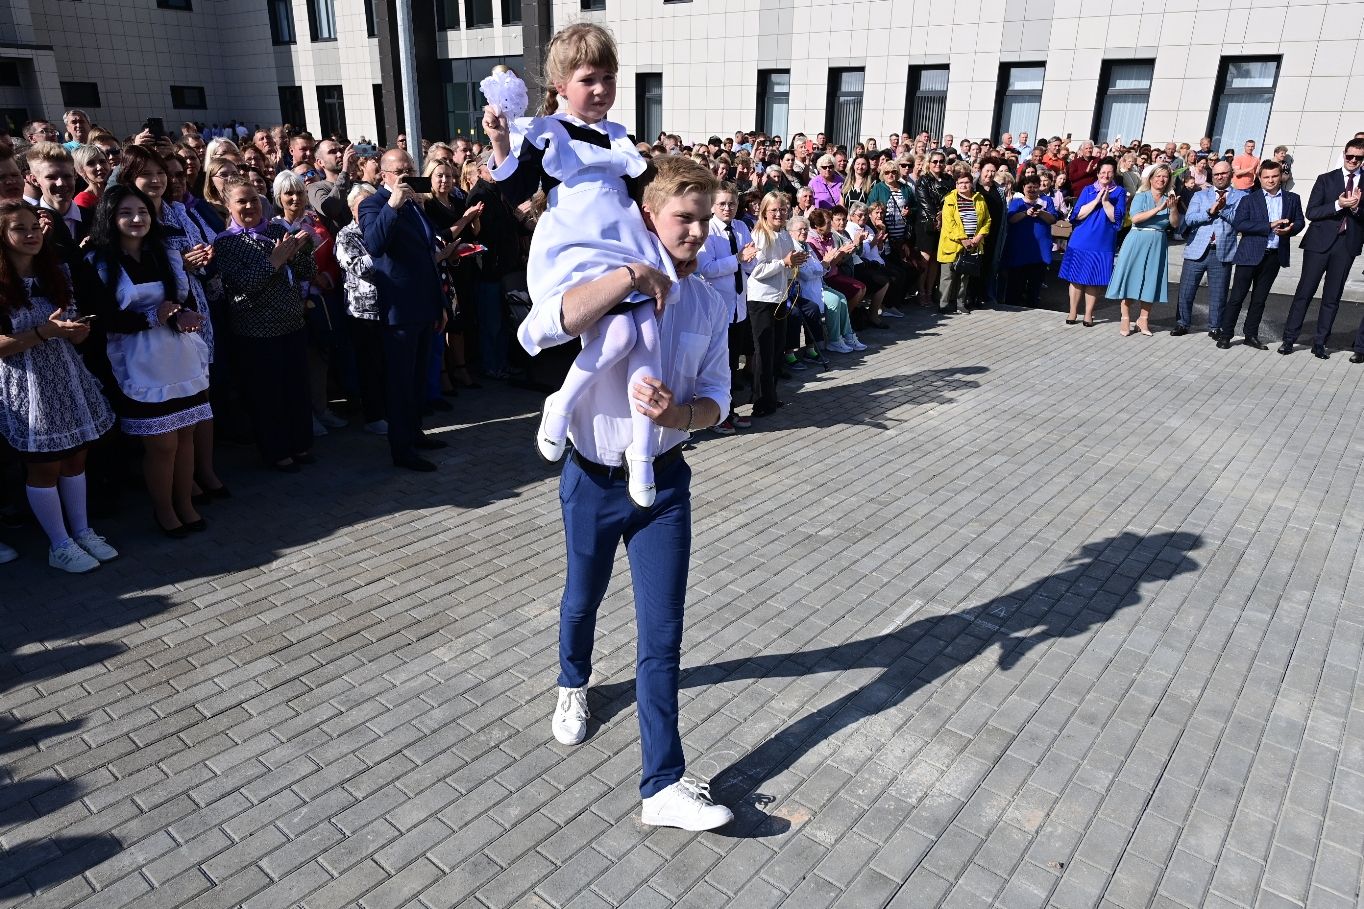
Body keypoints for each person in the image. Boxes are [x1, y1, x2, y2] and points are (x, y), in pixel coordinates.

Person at [523, 154, 734, 831]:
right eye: (684, 218)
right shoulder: (608, 277)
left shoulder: (709, 302)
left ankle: (662, 784)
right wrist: (629, 277)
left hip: (663, 485)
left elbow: (720, 400)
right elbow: (546, 326)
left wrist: (682, 414)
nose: (697, 231)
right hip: (592, 476)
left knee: (662, 634)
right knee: (581, 597)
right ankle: (572, 682)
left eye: (705, 220)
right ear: (650, 215)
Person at [483, 25, 678, 507]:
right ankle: (562, 404)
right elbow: (515, 190)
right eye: (588, 79)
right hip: (580, 240)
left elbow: (645, 196)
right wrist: (501, 142)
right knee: (618, 334)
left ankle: (642, 452)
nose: (600, 89)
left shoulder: (620, 137)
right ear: (561, 85)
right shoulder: (546, 130)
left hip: (626, 238)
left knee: (647, 335)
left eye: (608, 78)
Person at [86, 184, 213, 537]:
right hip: (138, 360)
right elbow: (102, 318)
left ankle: (185, 504)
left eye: (142, 212)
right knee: (162, 444)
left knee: (185, 435)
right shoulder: (98, 262)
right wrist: (149, 318)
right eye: (126, 213)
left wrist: (182, 315)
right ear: (109, 218)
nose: (136, 219)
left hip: (177, 354)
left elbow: (178, 301)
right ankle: (164, 511)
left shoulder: (164, 254)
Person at [0, 201, 117, 572]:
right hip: (27, 384)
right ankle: (59, 543)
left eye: (34, 227)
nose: (31, 234)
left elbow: (71, 330)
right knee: (45, 466)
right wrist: (44, 332)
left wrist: (77, 331)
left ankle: (81, 531)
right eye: (20, 228)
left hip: (65, 375)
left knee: (76, 457)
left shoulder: (55, 273)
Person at [358, 149, 456, 471]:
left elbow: (428, 255)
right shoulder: (374, 204)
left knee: (417, 378)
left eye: (409, 169)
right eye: (398, 171)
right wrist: (393, 205)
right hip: (399, 309)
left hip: (424, 305)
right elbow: (374, 244)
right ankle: (401, 449)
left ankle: (415, 433)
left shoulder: (415, 204)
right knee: (400, 382)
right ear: (383, 174)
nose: (405, 175)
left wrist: (440, 304)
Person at [212, 177, 317, 472]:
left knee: (296, 389)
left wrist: (300, 251)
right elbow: (240, 285)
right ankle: (277, 451)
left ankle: (300, 443)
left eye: (253, 200)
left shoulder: (276, 230)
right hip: (256, 332)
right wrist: (274, 261)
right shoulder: (226, 242)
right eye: (241, 201)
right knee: (268, 395)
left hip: (292, 323)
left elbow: (307, 271)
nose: (249, 206)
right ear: (228, 206)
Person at [1279, 138, 1364, 360]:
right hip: (1318, 244)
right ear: (1344, 154)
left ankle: (1320, 343)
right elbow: (1312, 212)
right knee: (1305, 292)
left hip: (1346, 245)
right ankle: (1289, 339)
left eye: (1358, 158)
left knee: (1332, 297)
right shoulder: (1326, 179)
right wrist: (1338, 205)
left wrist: (1356, 209)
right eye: (1350, 156)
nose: (1353, 161)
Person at [1218, 160, 1303, 350]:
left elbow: (1300, 221)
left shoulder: (1292, 198)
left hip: (1274, 256)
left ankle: (1250, 335)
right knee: (1237, 297)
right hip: (1249, 254)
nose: (1271, 180)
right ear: (1259, 177)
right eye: (1266, 177)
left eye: (1274, 176)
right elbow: (1240, 224)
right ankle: (1226, 335)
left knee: (1259, 299)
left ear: (1281, 176)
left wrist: (1290, 229)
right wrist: (1269, 225)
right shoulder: (1249, 199)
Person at [697, 182, 756, 434]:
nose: (727, 208)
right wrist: (737, 259)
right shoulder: (708, 230)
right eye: (721, 204)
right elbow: (707, 268)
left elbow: (751, 262)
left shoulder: (741, 227)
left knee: (731, 364)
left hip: (738, 306)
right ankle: (717, 416)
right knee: (718, 365)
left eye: (732, 203)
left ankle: (728, 410)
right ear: (712, 205)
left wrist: (748, 261)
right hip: (717, 308)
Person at [747, 192, 806, 417]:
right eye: (774, 210)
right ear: (764, 212)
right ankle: (761, 401)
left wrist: (795, 262)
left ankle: (770, 394)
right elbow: (757, 270)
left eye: (782, 209)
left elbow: (787, 266)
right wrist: (784, 262)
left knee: (776, 350)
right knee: (764, 351)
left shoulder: (784, 235)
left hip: (779, 297)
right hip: (761, 299)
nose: (779, 214)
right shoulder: (760, 234)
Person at [335, 184, 387, 435]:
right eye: (361, 207)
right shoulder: (346, 235)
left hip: (389, 307)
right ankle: (374, 416)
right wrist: (382, 251)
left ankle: (392, 410)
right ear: (351, 209)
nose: (367, 211)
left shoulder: (384, 227)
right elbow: (357, 267)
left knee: (387, 363)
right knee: (369, 366)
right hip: (363, 312)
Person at [1106, 164, 1181, 336]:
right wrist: (1158, 209)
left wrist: (1173, 208)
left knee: (1151, 281)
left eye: (1165, 176)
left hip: (1158, 242)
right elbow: (1136, 218)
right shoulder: (1141, 196)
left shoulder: (1169, 199)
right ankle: (1125, 318)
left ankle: (1143, 319)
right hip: (1137, 240)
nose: (1161, 179)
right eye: (1158, 176)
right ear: (1151, 178)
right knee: (1131, 278)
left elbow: (1175, 224)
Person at [1173, 160, 1243, 336]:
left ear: (1231, 174)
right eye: (1216, 174)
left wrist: (1223, 209)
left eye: (1223, 173)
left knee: (1219, 294)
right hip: (1197, 249)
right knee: (1186, 291)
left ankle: (1215, 327)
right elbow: (1189, 219)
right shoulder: (1200, 195)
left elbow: (1240, 221)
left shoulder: (1241, 197)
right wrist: (1209, 213)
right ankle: (1182, 323)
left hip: (1222, 250)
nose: (1219, 177)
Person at [1059, 157, 1126, 326]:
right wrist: (1096, 201)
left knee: (1094, 280)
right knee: (1075, 278)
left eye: (1109, 172)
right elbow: (1077, 215)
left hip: (1102, 241)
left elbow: (1117, 219)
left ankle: (1089, 314)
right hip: (1081, 239)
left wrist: (1105, 202)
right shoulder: (1088, 190)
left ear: (1114, 174)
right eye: (1103, 172)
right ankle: (1073, 312)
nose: (1106, 175)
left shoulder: (1119, 192)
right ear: (1097, 173)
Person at [937, 167, 990, 315]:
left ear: (971, 184)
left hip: (973, 244)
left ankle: (960, 304)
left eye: (966, 182)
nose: (963, 185)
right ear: (956, 184)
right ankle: (943, 304)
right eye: (960, 183)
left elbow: (987, 220)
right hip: (952, 244)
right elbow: (949, 223)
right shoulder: (950, 199)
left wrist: (979, 236)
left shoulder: (979, 198)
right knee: (947, 276)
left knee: (964, 276)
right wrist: (963, 239)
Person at [1001, 174, 1057, 308]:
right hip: (1020, 249)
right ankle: (1012, 306)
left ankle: (1033, 306)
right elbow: (1011, 219)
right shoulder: (1017, 202)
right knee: (1016, 283)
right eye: (1029, 187)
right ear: (1023, 188)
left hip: (1039, 251)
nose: (1032, 190)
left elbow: (1053, 219)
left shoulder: (1046, 201)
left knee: (1035, 284)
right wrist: (1025, 213)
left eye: (1035, 187)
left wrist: (1041, 213)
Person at [71, 145, 111, 209]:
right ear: (81, 170)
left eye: (102, 161)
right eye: (91, 163)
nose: (99, 167)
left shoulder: (118, 190)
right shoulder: (82, 200)